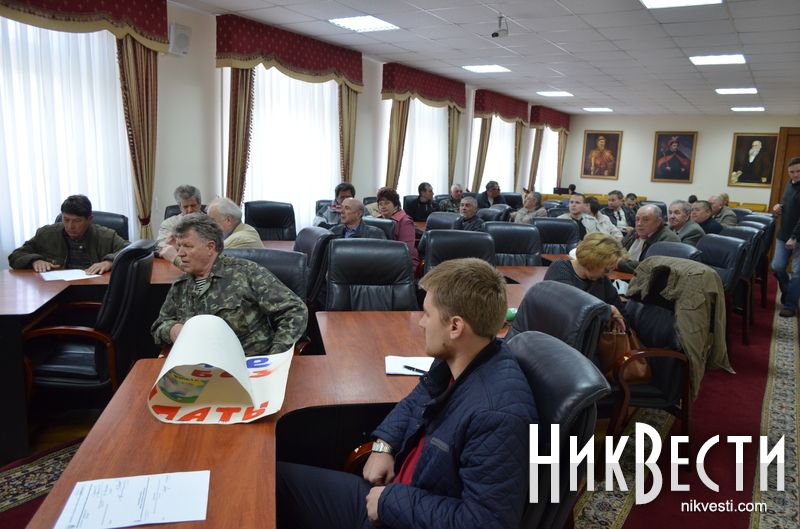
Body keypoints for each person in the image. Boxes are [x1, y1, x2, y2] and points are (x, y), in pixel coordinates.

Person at [276, 258, 538, 529]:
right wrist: (384, 445)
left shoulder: (496, 416)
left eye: (427, 314)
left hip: (399, 513)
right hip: (396, 501)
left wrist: (389, 502)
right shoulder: (461, 358)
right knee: (274, 481)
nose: (421, 323)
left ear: (455, 327)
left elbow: (484, 523)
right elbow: (416, 399)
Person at [151, 214, 308, 356]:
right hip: (199, 367)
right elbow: (160, 325)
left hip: (249, 363)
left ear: (210, 247)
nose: (179, 253)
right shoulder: (181, 285)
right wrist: (173, 330)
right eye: (179, 246)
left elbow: (294, 310)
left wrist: (276, 356)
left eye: (187, 246)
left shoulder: (246, 273)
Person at [9, 194, 128, 273]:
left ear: (89, 219)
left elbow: (131, 251)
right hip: (56, 290)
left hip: (92, 287)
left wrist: (109, 262)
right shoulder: (46, 234)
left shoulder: (106, 236)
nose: (70, 226)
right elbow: (16, 255)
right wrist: (35, 260)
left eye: (77, 221)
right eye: (66, 219)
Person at [545, 233, 627, 330]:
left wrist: (620, 320)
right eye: (606, 270)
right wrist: (608, 310)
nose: (608, 274)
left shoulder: (601, 279)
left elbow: (621, 312)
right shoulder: (559, 268)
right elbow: (570, 306)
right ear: (594, 261)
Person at [771, 157, 800, 316]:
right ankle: (788, 291)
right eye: (792, 172)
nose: (795, 175)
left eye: (798, 171)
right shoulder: (790, 184)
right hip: (784, 234)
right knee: (777, 266)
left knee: (797, 272)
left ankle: (790, 305)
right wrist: (779, 206)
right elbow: (786, 201)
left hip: (797, 236)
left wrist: (794, 237)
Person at [618, 204, 680, 273]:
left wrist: (618, 264)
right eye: (637, 219)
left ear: (658, 222)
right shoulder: (634, 232)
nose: (639, 224)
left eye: (645, 220)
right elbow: (617, 251)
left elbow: (650, 267)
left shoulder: (669, 239)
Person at [375, 187, 420, 270]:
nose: (383, 206)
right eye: (380, 204)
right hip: (382, 259)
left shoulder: (406, 222)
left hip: (405, 262)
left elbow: (405, 250)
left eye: (387, 203)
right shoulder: (376, 220)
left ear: (395, 205)